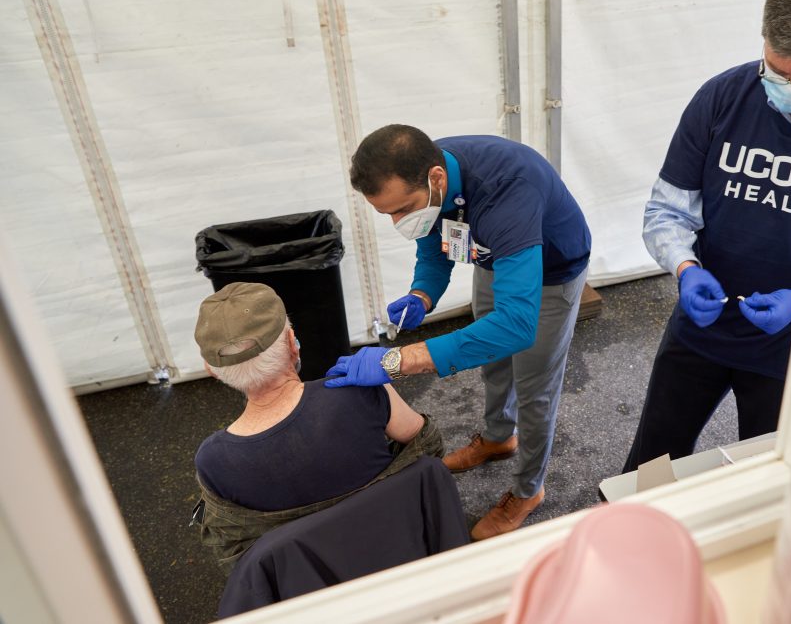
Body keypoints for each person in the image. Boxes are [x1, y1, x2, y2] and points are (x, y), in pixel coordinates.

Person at [623, 0, 791, 472]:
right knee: (649, 468)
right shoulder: (721, 98)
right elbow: (667, 210)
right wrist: (685, 269)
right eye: (777, 70)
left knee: (769, 477)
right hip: (701, 329)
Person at [325, 125, 591, 540]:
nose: (398, 221)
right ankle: (498, 438)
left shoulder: (507, 191)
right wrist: (422, 294)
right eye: (387, 214)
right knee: (493, 361)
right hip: (493, 260)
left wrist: (399, 360)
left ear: (435, 179)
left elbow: (517, 326)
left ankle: (528, 491)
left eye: (403, 209)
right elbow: (436, 247)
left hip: (551, 274)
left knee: (536, 388)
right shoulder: (429, 177)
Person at [190, 282, 443, 573]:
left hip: (307, 585)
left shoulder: (213, 460)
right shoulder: (359, 391)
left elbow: (234, 549)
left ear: (212, 371)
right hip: (402, 555)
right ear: (291, 342)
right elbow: (428, 449)